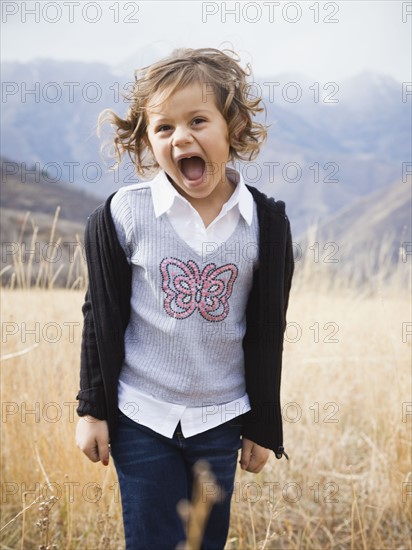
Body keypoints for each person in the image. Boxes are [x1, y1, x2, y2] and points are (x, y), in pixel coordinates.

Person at [75, 47, 294, 550]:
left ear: (233, 126)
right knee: (154, 541)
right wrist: (92, 410)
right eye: (164, 128)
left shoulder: (265, 225)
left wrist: (264, 422)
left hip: (220, 418)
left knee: (201, 541)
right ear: (147, 140)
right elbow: (99, 318)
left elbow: (267, 332)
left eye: (198, 120)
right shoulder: (123, 215)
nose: (181, 138)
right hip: (141, 416)